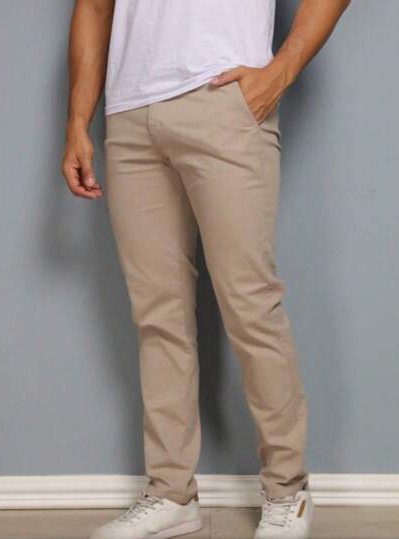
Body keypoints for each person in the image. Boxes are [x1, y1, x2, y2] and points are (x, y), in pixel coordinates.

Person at [63, 1, 350, 537]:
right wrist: (78, 120)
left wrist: (281, 70)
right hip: (129, 112)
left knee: (251, 306)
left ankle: (287, 491)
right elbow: (95, 7)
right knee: (158, 316)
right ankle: (171, 492)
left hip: (222, 99)